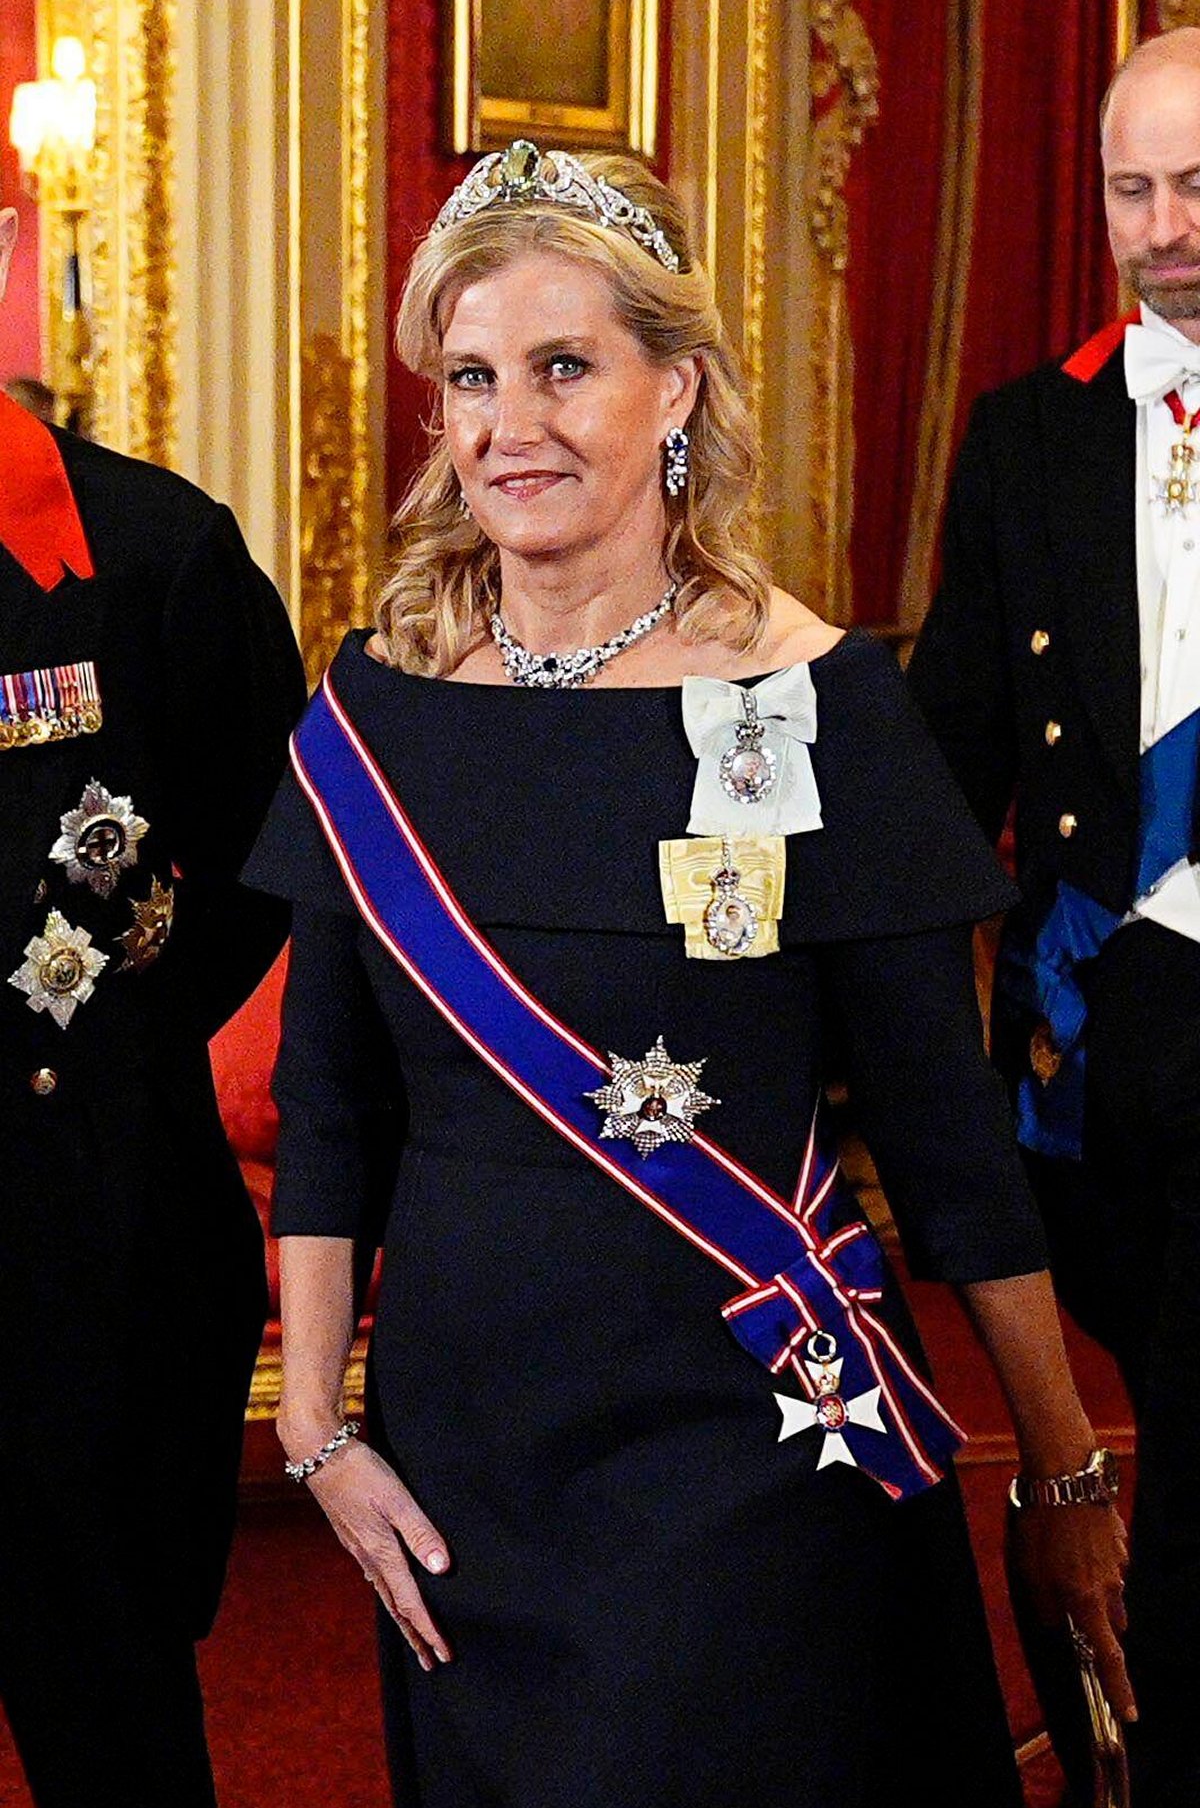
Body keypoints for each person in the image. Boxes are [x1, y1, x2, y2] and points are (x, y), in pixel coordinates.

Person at [246, 142, 1129, 1808]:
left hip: (753, 1433)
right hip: (466, 1457)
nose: (511, 425)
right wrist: (318, 1430)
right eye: (473, 377)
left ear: (678, 389)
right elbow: (328, 1108)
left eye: (564, 366)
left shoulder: (814, 700)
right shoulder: (378, 709)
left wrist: (1062, 1462)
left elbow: (948, 1142)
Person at [908, 29, 1200, 1805]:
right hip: (1110, 1030)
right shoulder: (1031, 435)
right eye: (1131, 190)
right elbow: (944, 756)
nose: (1166, 231)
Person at [0, 201, 307, 1806]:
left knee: (110, 1720)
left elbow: (268, 856)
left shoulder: (154, 554)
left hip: (87, 1252)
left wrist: (108, 1040)